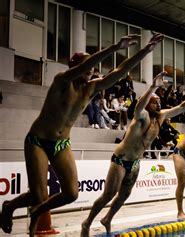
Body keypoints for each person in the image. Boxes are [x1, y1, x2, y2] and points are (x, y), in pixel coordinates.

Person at [0, 34, 162, 236]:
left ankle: (37, 212)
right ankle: (9, 206)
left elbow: (121, 72)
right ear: (75, 67)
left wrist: (145, 51)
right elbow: (85, 67)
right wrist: (113, 48)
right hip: (38, 141)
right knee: (38, 195)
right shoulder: (62, 81)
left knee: (71, 194)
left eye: (93, 67)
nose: (92, 70)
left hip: (61, 143)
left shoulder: (91, 88)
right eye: (87, 66)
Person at [80, 72, 185, 236]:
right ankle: (86, 223)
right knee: (109, 194)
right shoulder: (141, 116)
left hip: (135, 162)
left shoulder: (161, 116)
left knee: (123, 196)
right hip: (121, 159)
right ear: (149, 103)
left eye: (159, 102)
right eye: (155, 102)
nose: (159, 104)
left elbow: (182, 107)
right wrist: (153, 87)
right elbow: (138, 107)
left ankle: (107, 219)